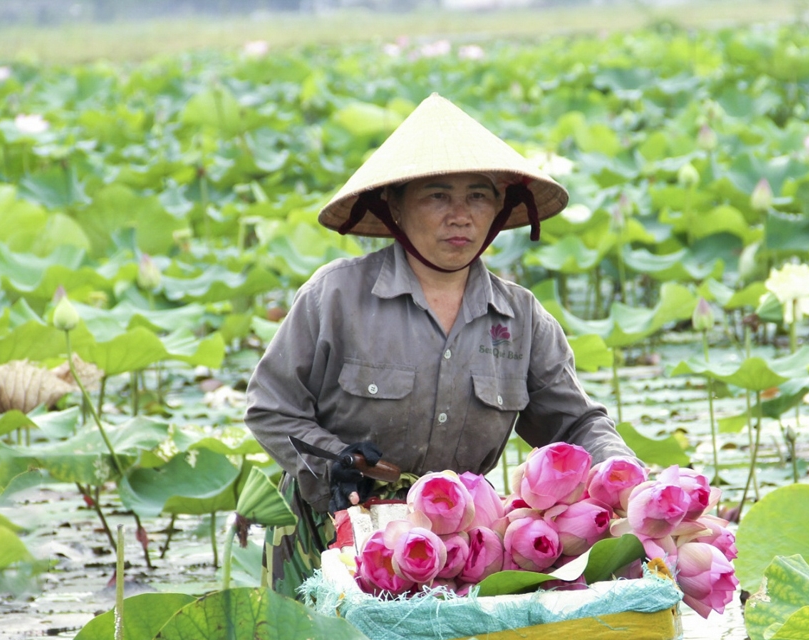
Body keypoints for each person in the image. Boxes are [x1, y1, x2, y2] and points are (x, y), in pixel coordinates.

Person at [244, 94, 634, 596]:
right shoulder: (335, 296)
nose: (460, 217)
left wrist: (627, 478)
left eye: (478, 196)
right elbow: (270, 408)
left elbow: (577, 423)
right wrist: (334, 460)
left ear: (501, 209)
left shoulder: (520, 318)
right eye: (436, 196)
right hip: (330, 532)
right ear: (396, 208)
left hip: (459, 544)